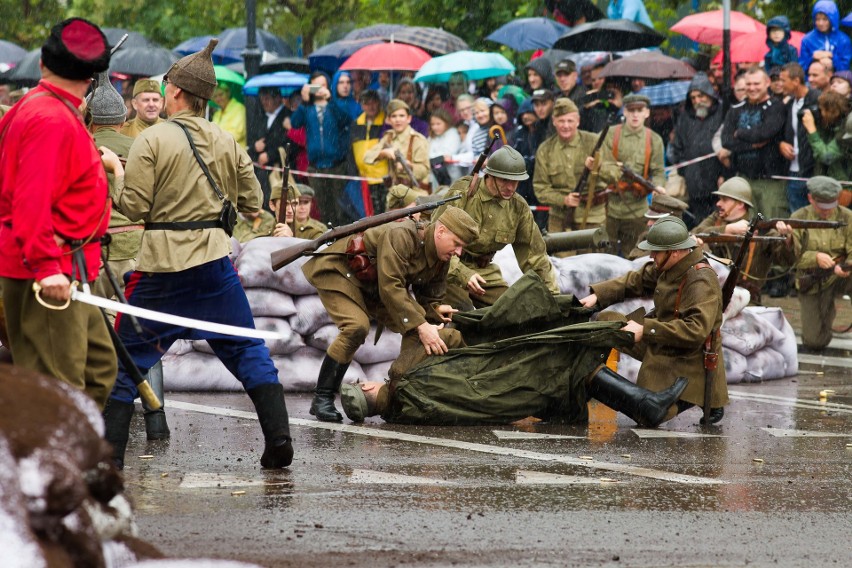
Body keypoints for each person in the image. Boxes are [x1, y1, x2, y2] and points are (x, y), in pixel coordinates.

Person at [103, 39, 293, 470]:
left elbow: (133, 206)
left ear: (174, 92)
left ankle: (108, 455)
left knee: (128, 356)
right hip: (213, 266)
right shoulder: (226, 139)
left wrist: (115, 171)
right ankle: (279, 437)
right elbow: (252, 202)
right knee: (247, 349)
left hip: (159, 270)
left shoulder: (152, 138)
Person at [338, 272, 686, 427]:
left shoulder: (403, 415)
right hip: (501, 372)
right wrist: (435, 319)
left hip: (508, 398)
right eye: (363, 383)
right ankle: (645, 404)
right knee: (566, 346)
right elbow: (428, 335)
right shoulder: (402, 373)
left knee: (564, 373)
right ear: (367, 387)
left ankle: (645, 404)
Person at [0, 18, 117, 410]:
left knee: (99, 371)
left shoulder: (48, 108)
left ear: (45, 65)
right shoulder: (49, 117)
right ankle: (49, 469)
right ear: (90, 79)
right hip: (50, 268)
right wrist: (47, 266)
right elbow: (30, 200)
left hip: (74, 264)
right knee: (57, 396)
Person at [301, 206, 480, 422]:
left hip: (374, 285)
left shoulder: (442, 258)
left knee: (421, 326)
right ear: (441, 231)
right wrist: (421, 325)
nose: (459, 252)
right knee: (356, 327)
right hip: (341, 272)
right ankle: (322, 397)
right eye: (457, 243)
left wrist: (434, 310)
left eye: (463, 247)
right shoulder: (402, 235)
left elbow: (430, 297)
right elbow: (391, 286)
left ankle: (407, 389)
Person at [87, 71, 171, 440]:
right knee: (143, 332)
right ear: (123, 119)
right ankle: (156, 419)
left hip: (92, 253)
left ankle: (104, 417)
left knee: (94, 334)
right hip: (137, 251)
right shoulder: (141, 144)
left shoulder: (78, 145)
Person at [581, 216, 729, 425]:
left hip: (686, 356)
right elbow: (638, 279)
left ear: (675, 252)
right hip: (664, 338)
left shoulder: (700, 280)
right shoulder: (673, 266)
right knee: (606, 323)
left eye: (656, 251)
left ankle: (689, 396)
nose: (651, 255)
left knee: (648, 412)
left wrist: (645, 329)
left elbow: (696, 331)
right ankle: (589, 379)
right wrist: (598, 296)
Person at [433, 146, 560, 309]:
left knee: (510, 312)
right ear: (490, 176)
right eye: (504, 180)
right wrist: (463, 274)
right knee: (463, 313)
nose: (511, 187)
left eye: (516, 181)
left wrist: (554, 297)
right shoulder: (464, 193)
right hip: (446, 269)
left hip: (484, 272)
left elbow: (534, 256)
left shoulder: (518, 207)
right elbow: (435, 238)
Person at [691, 178, 791, 305]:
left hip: (746, 300)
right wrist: (727, 229)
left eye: (724, 200)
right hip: (712, 296)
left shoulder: (761, 230)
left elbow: (785, 258)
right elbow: (694, 234)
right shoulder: (716, 219)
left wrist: (787, 239)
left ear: (740, 204)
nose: (718, 204)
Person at [787, 176, 852, 350]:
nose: (827, 211)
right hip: (813, 279)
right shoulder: (798, 218)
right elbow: (792, 257)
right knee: (814, 341)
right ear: (810, 198)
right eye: (822, 207)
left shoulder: (848, 217)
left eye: (831, 206)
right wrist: (815, 257)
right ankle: (824, 321)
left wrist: (846, 266)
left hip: (842, 277)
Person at [597, 94, 666, 256]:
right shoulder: (609, 134)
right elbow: (599, 166)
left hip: (637, 209)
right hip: (609, 208)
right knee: (605, 257)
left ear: (647, 113)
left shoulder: (654, 139)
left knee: (635, 257)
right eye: (631, 110)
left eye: (639, 110)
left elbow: (658, 171)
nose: (635, 115)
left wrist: (659, 185)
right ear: (624, 112)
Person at [719, 66, 788, 219]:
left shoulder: (777, 107)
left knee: (772, 223)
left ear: (767, 83)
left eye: (756, 84)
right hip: (743, 178)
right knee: (745, 225)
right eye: (748, 84)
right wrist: (750, 145)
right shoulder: (735, 109)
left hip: (770, 178)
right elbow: (726, 141)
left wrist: (740, 133)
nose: (752, 88)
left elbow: (765, 132)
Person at [533, 97, 604, 241]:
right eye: (561, 121)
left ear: (578, 121)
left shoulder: (594, 142)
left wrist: (598, 168)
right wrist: (564, 200)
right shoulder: (545, 150)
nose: (566, 126)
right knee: (563, 262)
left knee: (593, 261)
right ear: (554, 121)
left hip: (592, 216)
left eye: (570, 121)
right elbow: (540, 189)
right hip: (560, 219)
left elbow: (615, 174)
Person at [290, 71, 352, 227]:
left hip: (337, 165)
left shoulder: (334, 104)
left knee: (340, 207)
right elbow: (295, 123)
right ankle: (327, 237)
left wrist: (330, 100)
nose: (320, 89)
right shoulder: (307, 108)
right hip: (316, 167)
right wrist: (304, 102)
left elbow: (345, 120)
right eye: (316, 86)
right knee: (323, 208)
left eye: (323, 85)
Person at [669, 72, 726, 226]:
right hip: (694, 185)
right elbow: (677, 148)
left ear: (710, 94)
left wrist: (723, 173)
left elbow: (728, 145)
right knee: (698, 228)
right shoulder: (685, 118)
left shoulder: (723, 113)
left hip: (717, 184)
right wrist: (686, 171)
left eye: (701, 96)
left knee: (718, 226)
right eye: (693, 98)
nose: (697, 101)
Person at [780, 62, 820, 213]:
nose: (780, 84)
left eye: (784, 80)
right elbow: (781, 132)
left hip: (813, 170)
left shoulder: (817, 99)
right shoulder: (789, 104)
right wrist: (781, 144)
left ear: (796, 81)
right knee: (796, 218)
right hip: (793, 171)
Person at [364, 99, 430, 190]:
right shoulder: (388, 137)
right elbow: (367, 157)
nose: (398, 120)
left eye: (402, 116)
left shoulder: (418, 140)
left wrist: (408, 166)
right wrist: (383, 153)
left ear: (409, 118)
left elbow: (425, 171)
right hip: (394, 191)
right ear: (388, 120)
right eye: (394, 116)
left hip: (415, 192)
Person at [249, 86, 290, 205]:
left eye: (267, 98)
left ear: (277, 98)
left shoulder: (288, 116)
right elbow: (253, 140)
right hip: (261, 172)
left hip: (279, 170)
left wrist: (270, 155)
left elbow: (290, 144)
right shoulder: (260, 117)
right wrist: (255, 147)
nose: (264, 102)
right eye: (262, 99)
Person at [350, 89, 389, 214]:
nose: (371, 106)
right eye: (367, 103)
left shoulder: (386, 122)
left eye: (374, 102)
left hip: (383, 179)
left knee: (384, 213)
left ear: (379, 103)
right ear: (361, 105)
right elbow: (351, 150)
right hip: (364, 179)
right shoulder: (356, 124)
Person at [802, 90, 850, 181]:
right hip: (829, 182)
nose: (819, 113)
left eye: (821, 109)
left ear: (833, 112)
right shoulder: (832, 125)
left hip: (845, 185)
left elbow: (826, 157)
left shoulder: (847, 130)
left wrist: (812, 130)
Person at [627, 194, 689, 260]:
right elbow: (634, 260)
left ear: (671, 221)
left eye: (655, 220)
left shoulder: (685, 246)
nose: (648, 223)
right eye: (649, 219)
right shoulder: (645, 237)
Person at [799, 1, 851, 74]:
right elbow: (802, 68)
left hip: (836, 80)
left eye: (825, 19)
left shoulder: (843, 40)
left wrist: (832, 58)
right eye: (817, 19)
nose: (821, 23)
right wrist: (813, 58)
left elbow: (845, 69)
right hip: (812, 81)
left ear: (832, 19)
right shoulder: (807, 40)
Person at [428, 108, 463, 186]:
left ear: (446, 122)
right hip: (436, 176)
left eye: (438, 124)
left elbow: (447, 154)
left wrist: (435, 157)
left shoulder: (453, 133)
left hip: (452, 176)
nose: (435, 127)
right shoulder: (432, 137)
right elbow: (427, 153)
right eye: (432, 124)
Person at [211, 81, 246, 147]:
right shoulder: (217, 114)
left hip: (237, 154)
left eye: (221, 94)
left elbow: (236, 135)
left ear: (228, 93)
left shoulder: (239, 108)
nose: (218, 99)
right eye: (215, 96)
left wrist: (216, 140)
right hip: (221, 153)